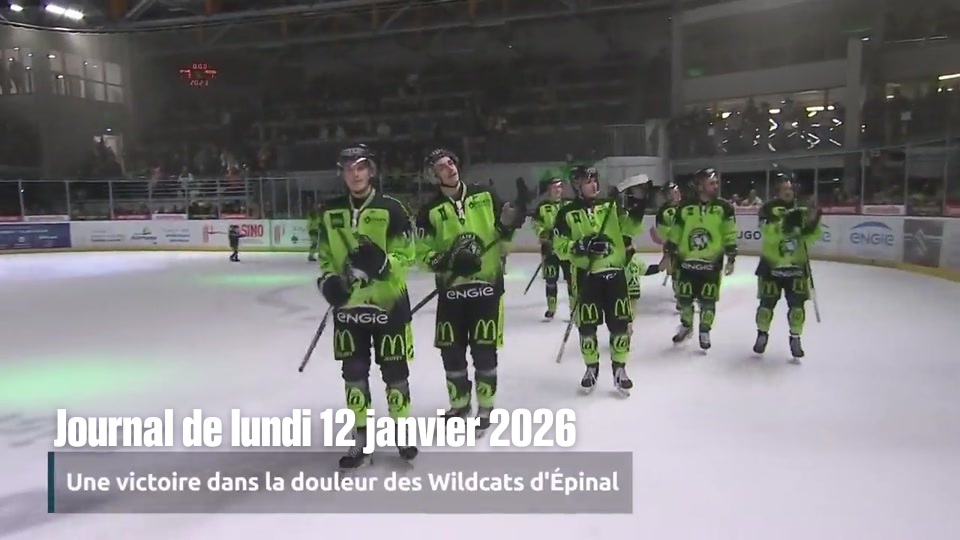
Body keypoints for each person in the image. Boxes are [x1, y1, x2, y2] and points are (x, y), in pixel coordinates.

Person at [315, 144, 417, 468]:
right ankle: (361, 439)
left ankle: (402, 431)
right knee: (354, 375)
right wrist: (328, 282)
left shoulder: (393, 208)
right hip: (349, 310)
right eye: (348, 168)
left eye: (360, 167)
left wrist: (386, 265)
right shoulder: (330, 211)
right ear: (342, 173)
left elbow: (408, 256)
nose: (355, 174)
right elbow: (324, 257)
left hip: (389, 307)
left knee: (395, 372)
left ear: (370, 170)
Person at [415, 148, 525, 431]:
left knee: (484, 352)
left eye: (451, 162)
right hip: (451, 292)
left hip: (487, 288)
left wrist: (512, 221)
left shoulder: (484, 195)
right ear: (433, 176)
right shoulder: (428, 212)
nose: (450, 168)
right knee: (451, 352)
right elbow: (422, 255)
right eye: (441, 166)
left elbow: (503, 234)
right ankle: (460, 404)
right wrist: (449, 261)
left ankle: (485, 408)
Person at [552, 167, 649, 395]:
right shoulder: (566, 213)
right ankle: (591, 368)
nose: (594, 185)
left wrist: (639, 204)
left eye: (595, 180)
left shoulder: (611, 206)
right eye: (588, 181)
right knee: (587, 328)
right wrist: (581, 245)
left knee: (620, 326)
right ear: (577, 185)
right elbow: (559, 248)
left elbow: (631, 228)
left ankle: (620, 368)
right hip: (586, 276)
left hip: (615, 274)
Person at [661, 168, 737, 350]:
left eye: (716, 183)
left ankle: (705, 330)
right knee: (684, 300)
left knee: (708, 302)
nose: (716, 186)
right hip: (686, 263)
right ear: (700, 186)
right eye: (711, 183)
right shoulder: (685, 207)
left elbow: (729, 232)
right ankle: (686, 325)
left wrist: (731, 256)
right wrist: (668, 253)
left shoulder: (724, 208)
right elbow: (676, 232)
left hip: (711, 264)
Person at [752, 173, 821, 361]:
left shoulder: (801, 209)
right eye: (784, 189)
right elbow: (767, 233)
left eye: (790, 188)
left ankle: (795, 338)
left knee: (797, 308)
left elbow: (810, 238)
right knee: (766, 306)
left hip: (796, 267)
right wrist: (784, 226)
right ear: (777, 191)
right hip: (770, 267)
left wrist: (813, 223)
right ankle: (762, 334)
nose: (788, 191)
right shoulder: (767, 209)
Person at [531, 177, 573, 321]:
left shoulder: (569, 204)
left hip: (566, 249)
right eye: (554, 187)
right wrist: (542, 233)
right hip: (549, 250)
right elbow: (535, 223)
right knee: (550, 280)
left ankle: (573, 308)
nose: (557, 190)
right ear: (549, 189)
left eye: (559, 187)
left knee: (572, 280)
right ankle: (551, 308)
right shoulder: (542, 206)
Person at [655, 182, 682, 311]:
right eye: (673, 192)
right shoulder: (663, 212)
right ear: (667, 195)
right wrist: (668, 250)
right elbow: (663, 233)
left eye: (677, 191)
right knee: (677, 272)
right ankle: (680, 295)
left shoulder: (687, 206)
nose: (677, 194)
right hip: (674, 247)